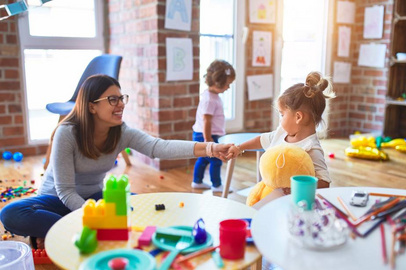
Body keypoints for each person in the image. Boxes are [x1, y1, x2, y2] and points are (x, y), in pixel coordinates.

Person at [0, 74, 233, 249]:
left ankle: (66, 232)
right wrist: (94, 215)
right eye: (113, 99)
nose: (121, 104)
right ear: (92, 106)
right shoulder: (67, 132)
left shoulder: (120, 132)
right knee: (10, 213)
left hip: (95, 199)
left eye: (121, 98)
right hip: (56, 200)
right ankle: (78, 228)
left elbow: (158, 147)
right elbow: (65, 191)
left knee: (140, 205)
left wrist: (211, 148)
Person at [228, 71, 335, 190]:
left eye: (282, 114)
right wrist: (239, 147)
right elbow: (260, 139)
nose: (280, 119)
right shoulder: (281, 133)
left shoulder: (311, 148)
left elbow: (324, 182)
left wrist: (296, 187)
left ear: (298, 117)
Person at [191, 60, 236, 192]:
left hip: (204, 134)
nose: (228, 87)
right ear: (219, 83)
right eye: (228, 84)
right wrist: (208, 139)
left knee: (204, 160)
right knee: (216, 160)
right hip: (205, 135)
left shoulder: (212, 95)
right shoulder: (209, 99)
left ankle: (197, 181)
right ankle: (217, 185)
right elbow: (206, 120)